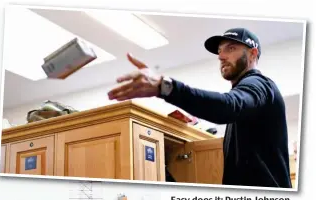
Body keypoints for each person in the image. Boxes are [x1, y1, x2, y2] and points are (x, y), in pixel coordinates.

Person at [107, 28, 292, 188]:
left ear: (253, 54)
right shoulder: (247, 104)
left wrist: (166, 87)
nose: (221, 56)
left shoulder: (259, 84)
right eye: (220, 51)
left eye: (231, 48)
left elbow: (229, 106)